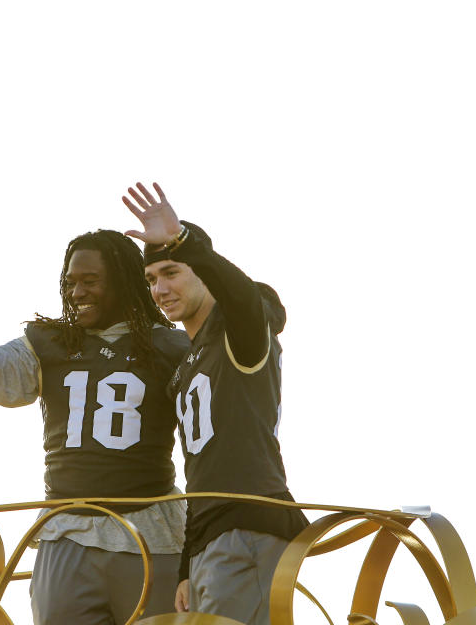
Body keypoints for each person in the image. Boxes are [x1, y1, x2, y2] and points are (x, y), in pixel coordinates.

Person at [0, 229, 190, 625]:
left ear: (123, 281)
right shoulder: (49, 341)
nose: (77, 292)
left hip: (151, 530)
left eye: (90, 281)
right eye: (70, 282)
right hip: (66, 530)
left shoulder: (173, 347)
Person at [122, 182, 310, 625]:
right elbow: (201, 471)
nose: (160, 288)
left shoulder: (237, 334)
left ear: (205, 272)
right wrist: (188, 565)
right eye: (151, 279)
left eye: (172, 272)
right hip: (211, 534)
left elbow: (245, 300)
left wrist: (184, 240)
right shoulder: (189, 363)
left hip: (249, 526)